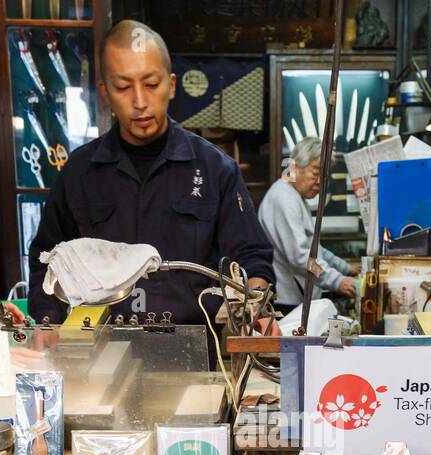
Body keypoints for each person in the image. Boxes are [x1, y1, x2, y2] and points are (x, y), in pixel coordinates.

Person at [26, 20, 276, 348]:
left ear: (171, 85)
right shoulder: (79, 173)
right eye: (124, 86)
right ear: (104, 92)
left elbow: (251, 256)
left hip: (195, 355)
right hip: (98, 355)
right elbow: (46, 259)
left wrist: (254, 301)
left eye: (151, 83)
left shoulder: (215, 169)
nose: (140, 101)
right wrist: (47, 324)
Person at [258, 136, 359, 312]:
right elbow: (301, 257)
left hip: (298, 299)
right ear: (295, 168)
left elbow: (314, 247)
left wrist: (345, 268)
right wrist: (336, 280)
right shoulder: (283, 198)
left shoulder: (294, 196)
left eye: (324, 175)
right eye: (315, 173)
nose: (320, 182)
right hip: (286, 303)